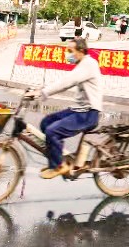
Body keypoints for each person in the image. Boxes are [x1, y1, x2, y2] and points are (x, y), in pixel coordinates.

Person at [37, 37, 103, 179]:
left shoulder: (88, 64)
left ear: (81, 51)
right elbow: (65, 81)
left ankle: (58, 166)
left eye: (70, 51)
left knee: (52, 131)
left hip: (89, 113)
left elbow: (67, 81)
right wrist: (40, 89)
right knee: (46, 123)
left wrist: (44, 92)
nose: (68, 54)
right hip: (79, 110)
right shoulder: (82, 64)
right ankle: (59, 159)